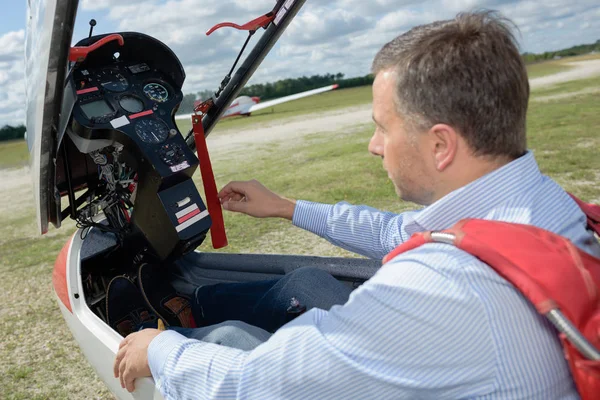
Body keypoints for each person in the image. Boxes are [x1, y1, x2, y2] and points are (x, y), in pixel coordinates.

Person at [113, 10, 600, 399]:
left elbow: (255, 386)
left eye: (383, 127)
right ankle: (190, 306)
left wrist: (161, 351)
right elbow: (398, 233)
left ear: (440, 146)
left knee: (231, 342)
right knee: (305, 283)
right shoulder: (544, 205)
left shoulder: (442, 288)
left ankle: (168, 323)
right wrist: (286, 206)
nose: (374, 145)